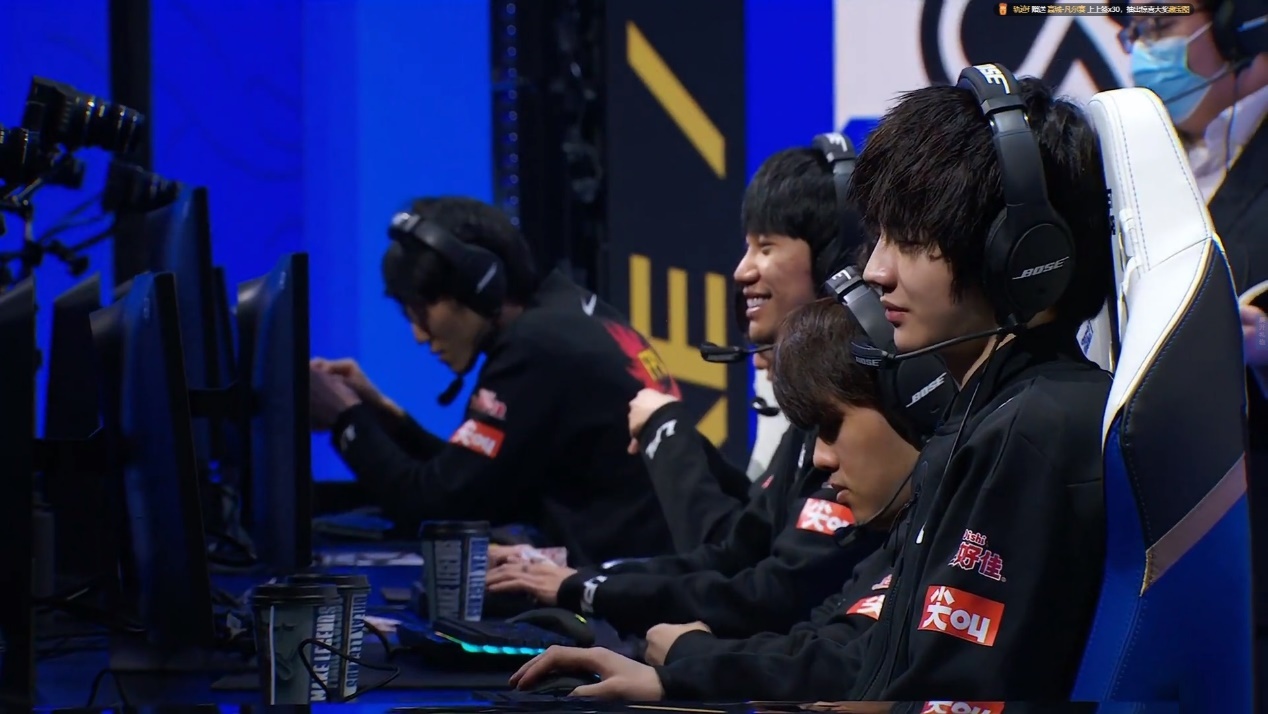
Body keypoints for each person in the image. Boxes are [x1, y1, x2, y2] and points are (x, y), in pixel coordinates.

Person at [512, 69, 1114, 701]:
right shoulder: (989, 417)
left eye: (909, 241)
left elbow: (944, 691)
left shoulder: (1029, 429)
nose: (874, 271)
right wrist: (677, 677)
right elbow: (871, 655)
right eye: (878, 239)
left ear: (1019, 255)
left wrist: (686, 671)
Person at [485, 147, 884, 640]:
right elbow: (735, 551)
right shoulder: (811, 424)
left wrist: (666, 432)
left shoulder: (855, 407)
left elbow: (766, 592)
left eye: (766, 247)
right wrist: (582, 580)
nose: (742, 271)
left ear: (834, 263)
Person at [507, 299, 916, 698]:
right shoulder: (898, 525)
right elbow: (744, 559)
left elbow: (790, 613)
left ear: (912, 404)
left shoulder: (927, 524)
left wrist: (687, 659)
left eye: (831, 426)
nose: (821, 458)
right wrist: (594, 584)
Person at [307, 196, 679, 567]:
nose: (419, 334)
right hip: (651, 571)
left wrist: (345, 420)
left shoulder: (534, 349)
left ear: (476, 283)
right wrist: (382, 413)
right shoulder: (561, 317)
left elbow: (436, 508)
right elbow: (470, 480)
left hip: (632, 588)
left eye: (421, 311)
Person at [1125, 0, 1268, 649]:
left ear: (1243, 23)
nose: (1141, 51)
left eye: (1159, 27)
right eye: (1134, 32)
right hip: (1164, 540)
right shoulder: (1147, 164)